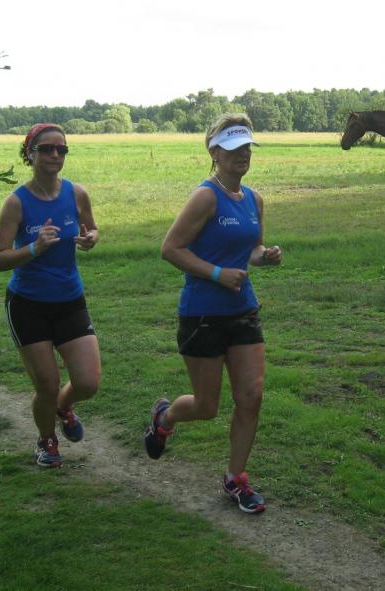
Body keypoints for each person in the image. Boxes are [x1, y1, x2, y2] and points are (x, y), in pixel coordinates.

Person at [147, 113, 282, 514]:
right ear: (215, 153)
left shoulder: (254, 199)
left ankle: (236, 478)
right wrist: (218, 273)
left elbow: (251, 249)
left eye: (247, 147)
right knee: (206, 407)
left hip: (243, 310)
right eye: (234, 148)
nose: (243, 155)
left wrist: (265, 256)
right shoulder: (205, 197)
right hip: (203, 314)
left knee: (251, 396)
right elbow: (170, 249)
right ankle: (165, 417)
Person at [0, 124, 101, 468]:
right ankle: (46, 439)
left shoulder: (76, 193)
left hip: (69, 299)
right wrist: (34, 248)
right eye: (47, 149)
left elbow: (92, 228)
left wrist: (91, 239)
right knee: (47, 384)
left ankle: (63, 407)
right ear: (30, 153)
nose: (55, 155)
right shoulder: (16, 203)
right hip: (28, 305)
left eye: (61, 149)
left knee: (88, 382)